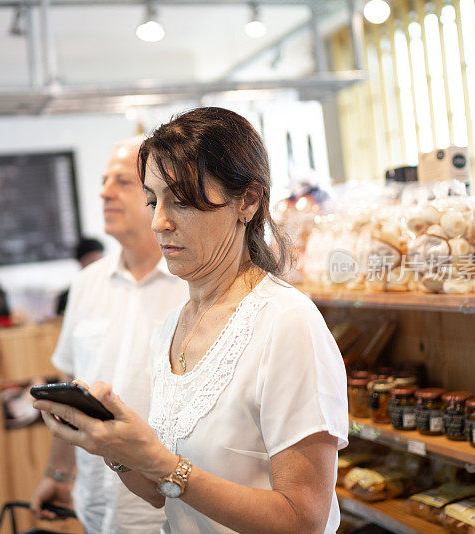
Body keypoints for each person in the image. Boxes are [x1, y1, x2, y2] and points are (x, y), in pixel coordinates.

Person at [34, 107, 348, 534]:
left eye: (180, 201)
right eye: (152, 200)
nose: (159, 222)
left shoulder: (286, 324)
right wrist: (115, 447)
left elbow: (304, 519)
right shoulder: (172, 326)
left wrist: (165, 463)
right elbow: (164, 496)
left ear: (248, 201)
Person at [30, 137, 188, 533]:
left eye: (120, 182)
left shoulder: (190, 285)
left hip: (172, 511)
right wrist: (59, 474)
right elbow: (70, 392)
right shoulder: (86, 284)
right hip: (97, 508)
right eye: (103, 181)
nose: (103, 192)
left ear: (157, 194)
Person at [55, 237, 105, 315]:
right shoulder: (69, 295)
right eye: (93, 261)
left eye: (101, 261)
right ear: (81, 262)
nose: (98, 266)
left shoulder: (113, 287)